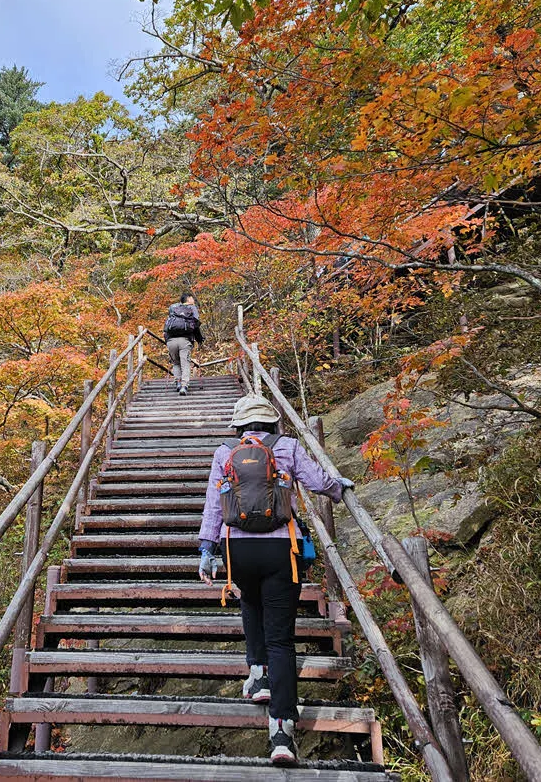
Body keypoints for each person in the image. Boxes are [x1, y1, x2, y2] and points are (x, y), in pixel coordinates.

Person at [197, 394, 353, 766]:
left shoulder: (224, 452)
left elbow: (213, 503)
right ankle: (281, 733)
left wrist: (206, 548)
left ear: (240, 424)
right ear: (272, 422)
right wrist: (340, 487)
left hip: (238, 550)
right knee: (281, 640)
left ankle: (257, 673)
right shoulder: (287, 446)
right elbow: (318, 482)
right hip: (283, 550)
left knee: (249, 600)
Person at [163, 291, 204, 395]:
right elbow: (195, 326)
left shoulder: (174, 310)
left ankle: (178, 382)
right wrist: (199, 339)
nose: (193, 300)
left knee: (176, 363)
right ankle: (184, 386)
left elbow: (166, 329)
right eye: (192, 298)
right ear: (189, 299)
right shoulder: (191, 309)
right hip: (185, 341)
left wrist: (167, 341)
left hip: (171, 341)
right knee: (185, 363)